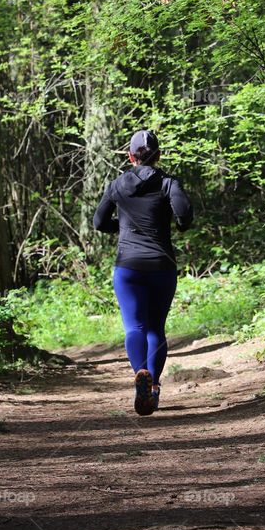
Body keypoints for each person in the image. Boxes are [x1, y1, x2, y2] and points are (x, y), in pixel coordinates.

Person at [93, 130, 193, 416]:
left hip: (128, 268)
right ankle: (153, 386)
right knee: (155, 327)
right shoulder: (167, 183)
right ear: (158, 155)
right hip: (161, 266)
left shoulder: (116, 185)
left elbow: (99, 223)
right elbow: (185, 218)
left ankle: (140, 373)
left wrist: (123, 228)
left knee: (134, 327)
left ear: (130, 156)